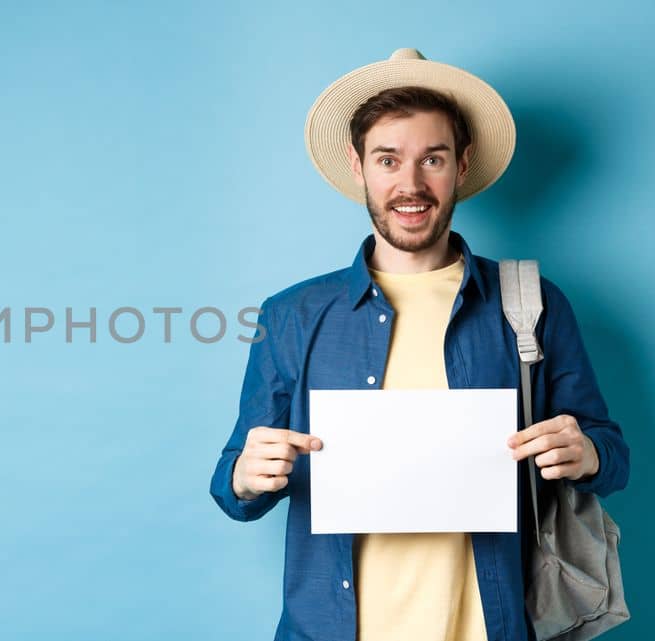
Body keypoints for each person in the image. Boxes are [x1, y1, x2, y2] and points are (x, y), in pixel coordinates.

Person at [207, 49, 630, 641]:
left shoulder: (530, 303)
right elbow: (232, 486)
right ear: (360, 168)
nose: (410, 185)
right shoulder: (292, 316)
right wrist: (247, 476)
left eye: (432, 158)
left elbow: (610, 454)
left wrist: (585, 453)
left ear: (461, 166)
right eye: (388, 160)